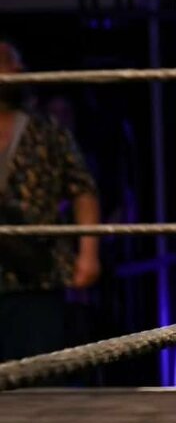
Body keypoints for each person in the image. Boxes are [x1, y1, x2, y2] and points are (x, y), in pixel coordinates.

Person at [0, 39, 101, 362]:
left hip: (37, 275)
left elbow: (82, 188)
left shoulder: (47, 131)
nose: (17, 68)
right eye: (6, 62)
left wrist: (88, 253)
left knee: (39, 376)